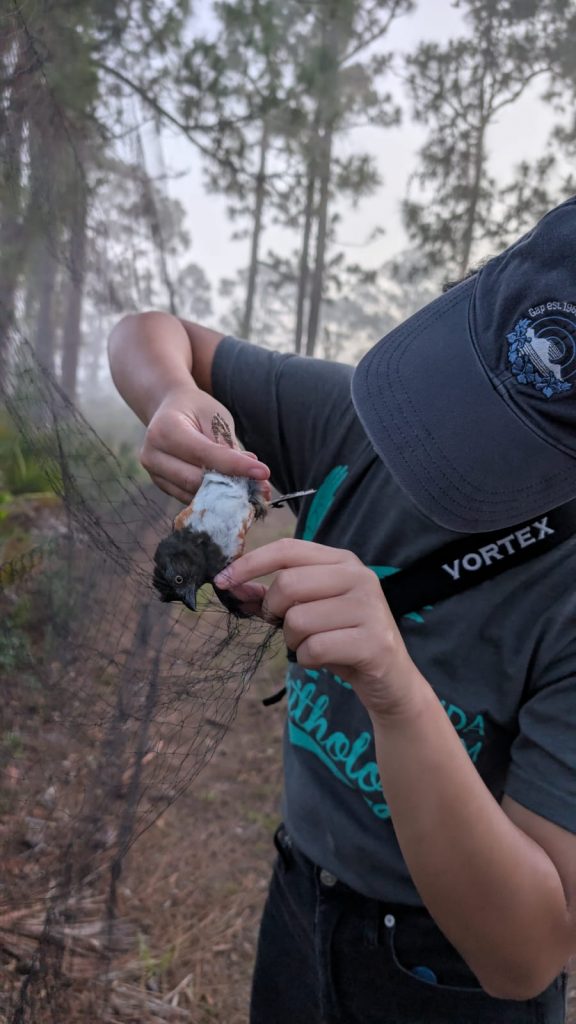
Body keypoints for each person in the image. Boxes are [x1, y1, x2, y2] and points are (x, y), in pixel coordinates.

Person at [108, 196, 576, 1024]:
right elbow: (150, 330)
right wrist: (172, 397)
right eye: (470, 396)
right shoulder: (362, 422)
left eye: (509, 443)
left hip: (447, 979)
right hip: (300, 895)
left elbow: (528, 953)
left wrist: (393, 687)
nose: (442, 451)